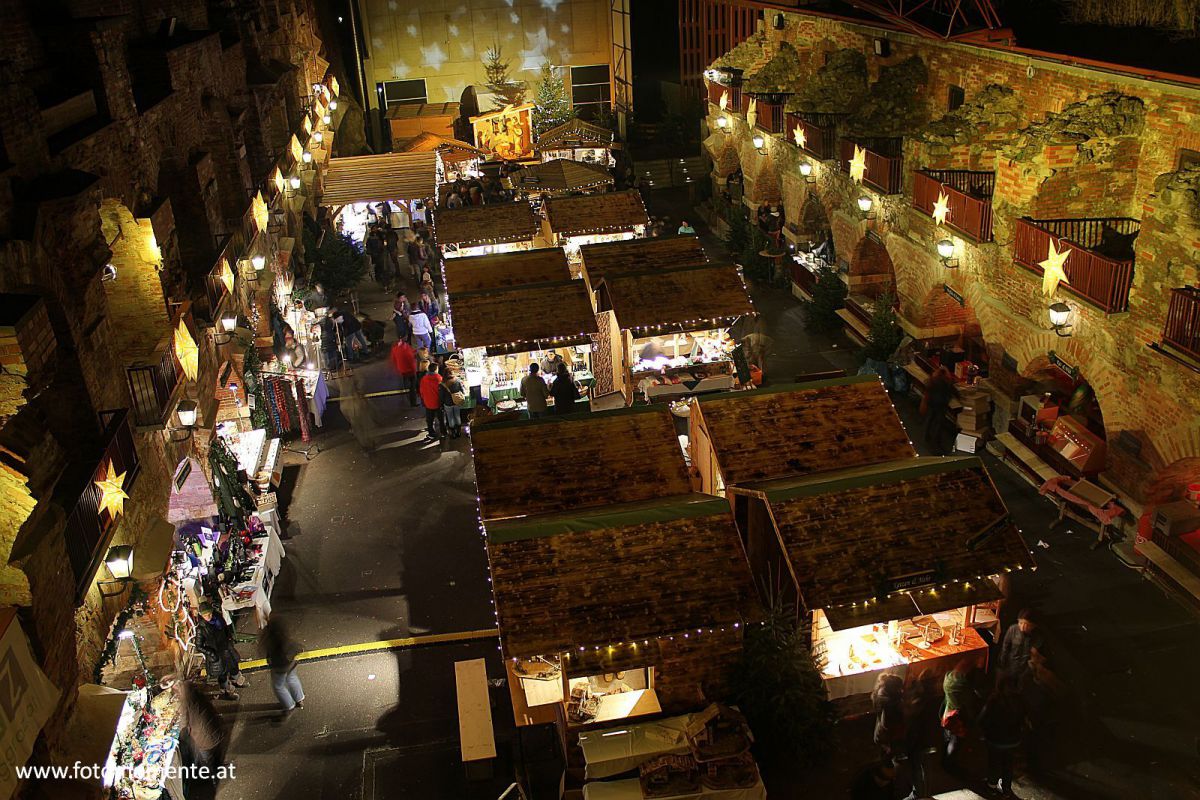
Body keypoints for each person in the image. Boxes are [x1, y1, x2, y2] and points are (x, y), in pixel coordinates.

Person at [979, 679, 1024, 795]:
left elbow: (982, 719)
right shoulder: (1019, 700)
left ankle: (991, 787)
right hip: (1013, 740)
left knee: (994, 762)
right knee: (1008, 763)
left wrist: (983, 732)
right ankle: (1007, 789)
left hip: (996, 740)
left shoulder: (993, 701)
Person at [194, 606, 245, 700]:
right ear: (202, 615)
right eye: (205, 615)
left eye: (209, 614)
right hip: (216, 654)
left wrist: (229, 639)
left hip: (226, 649)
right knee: (222, 674)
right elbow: (199, 646)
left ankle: (236, 681)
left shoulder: (218, 619)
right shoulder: (201, 629)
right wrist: (211, 653)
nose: (208, 616)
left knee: (233, 665)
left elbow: (226, 628)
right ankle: (227, 692)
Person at [174, 680, 225, 771]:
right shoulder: (195, 692)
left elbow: (183, 723)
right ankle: (218, 766)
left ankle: (213, 774)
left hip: (203, 738)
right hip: (215, 729)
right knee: (216, 753)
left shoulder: (186, 703)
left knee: (207, 758)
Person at [261, 617, 305, 719]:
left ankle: (289, 705)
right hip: (291, 664)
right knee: (292, 679)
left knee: (278, 686)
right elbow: (298, 648)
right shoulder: (285, 638)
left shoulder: (270, 641)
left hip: (279, 667)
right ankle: (299, 699)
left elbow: (265, 652)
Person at [940, 660, 977, 774]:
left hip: (947, 713)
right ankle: (949, 763)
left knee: (947, 736)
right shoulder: (963, 688)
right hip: (957, 719)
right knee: (955, 741)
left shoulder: (949, 678)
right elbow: (968, 704)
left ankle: (944, 756)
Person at [998, 607, 1046, 683]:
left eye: (1027, 624)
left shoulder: (1037, 637)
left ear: (1034, 626)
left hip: (1023, 670)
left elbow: (1035, 658)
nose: (1022, 627)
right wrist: (1002, 662)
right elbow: (1005, 647)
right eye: (1020, 623)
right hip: (1009, 664)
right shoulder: (1013, 629)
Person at [922, 365, 959, 455]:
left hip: (932, 404)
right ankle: (935, 444)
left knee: (930, 420)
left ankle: (926, 437)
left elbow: (927, 391)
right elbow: (952, 389)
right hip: (941, 405)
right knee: (938, 424)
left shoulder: (932, 381)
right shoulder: (945, 382)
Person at [419, 362, 445, 441]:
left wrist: (423, 399)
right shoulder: (439, 378)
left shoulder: (424, 379)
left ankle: (431, 433)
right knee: (441, 419)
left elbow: (421, 391)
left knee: (429, 419)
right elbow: (442, 391)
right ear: (436, 369)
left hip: (428, 402)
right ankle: (443, 432)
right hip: (437, 402)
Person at [390, 338, 418, 406]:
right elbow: (411, 361)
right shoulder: (406, 350)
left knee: (407, 383)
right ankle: (413, 402)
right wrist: (415, 370)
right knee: (413, 387)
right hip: (410, 371)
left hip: (402, 370)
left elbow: (393, 359)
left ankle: (406, 389)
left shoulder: (395, 349)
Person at [440, 366, 466, 438]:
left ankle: (453, 433)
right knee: (457, 416)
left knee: (450, 417)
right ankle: (459, 432)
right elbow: (463, 391)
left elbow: (441, 396)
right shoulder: (457, 380)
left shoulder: (442, 383)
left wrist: (441, 404)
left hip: (448, 403)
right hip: (457, 402)